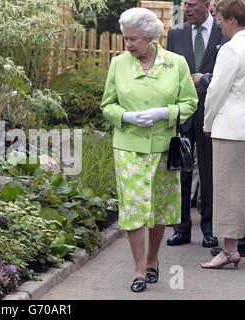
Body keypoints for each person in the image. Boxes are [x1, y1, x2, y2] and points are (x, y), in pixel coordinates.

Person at [101, 7, 197, 293]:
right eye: (126, 38)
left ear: (151, 37)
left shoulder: (176, 63)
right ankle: (139, 268)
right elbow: (107, 105)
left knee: (156, 208)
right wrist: (126, 117)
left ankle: (153, 259)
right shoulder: (118, 64)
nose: (128, 44)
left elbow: (189, 103)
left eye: (133, 39)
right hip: (128, 146)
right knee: (133, 206)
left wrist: (163, 113)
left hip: (164, 147)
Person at [166, 0, 229, 248]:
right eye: (184, 5)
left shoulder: (223, 34)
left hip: (212, 114)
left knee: (209, 171)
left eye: (192, 4)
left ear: (206, 5)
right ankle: (181, 228)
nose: (186, 9)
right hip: (183, 115)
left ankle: (210, 229)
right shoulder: (175, 35)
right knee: (181, 170)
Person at [201, 0, 245, 269]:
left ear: (230, 19)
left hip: (231, 128)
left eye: (219, 20)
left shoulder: (231, 49)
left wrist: (207, 123)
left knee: (229, 190)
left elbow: (216, 91)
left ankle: (229, 250)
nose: (218, 25)